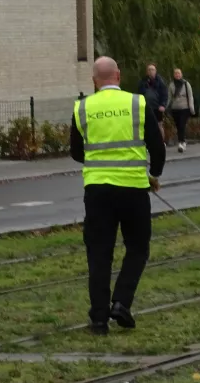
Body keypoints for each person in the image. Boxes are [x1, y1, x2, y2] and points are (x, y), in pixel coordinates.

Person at [70, 56, 166, 335]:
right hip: (134, 189)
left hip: (98, 191)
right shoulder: (137, 104)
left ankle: (99, 320)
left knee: (99, 254)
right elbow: (157, 147)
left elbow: (77, 152)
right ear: (119, 76)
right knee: (137, 247)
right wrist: (154, 176)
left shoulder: (82, 108)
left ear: (94, 81)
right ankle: (122, 302)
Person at [169, 68, 196, 153]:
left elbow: (190, 96)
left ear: (181, 74)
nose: (177, 75)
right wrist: (165, 106)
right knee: (178, 126)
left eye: (179, 73)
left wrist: (191, 107)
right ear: (174, 75)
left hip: (185, 107)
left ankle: (181, 142)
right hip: (175, 108)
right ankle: (182, 141)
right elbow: (169, 97)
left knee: (182, 124)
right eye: (176, 73)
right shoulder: (171, 85)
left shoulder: (186, 84)